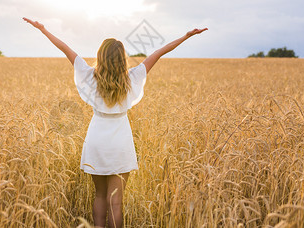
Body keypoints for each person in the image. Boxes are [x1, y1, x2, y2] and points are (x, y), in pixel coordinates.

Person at [23, 17, 207, 228]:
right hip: (120, 141)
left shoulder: (89, 76)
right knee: (116, 202)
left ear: (100, 56)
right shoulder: (132, 78)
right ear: (122, 58)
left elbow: (65, 47)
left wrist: (43, 29)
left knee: (100, 196)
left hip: (96, 139)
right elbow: (159, 53)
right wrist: (186, 36)